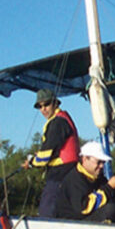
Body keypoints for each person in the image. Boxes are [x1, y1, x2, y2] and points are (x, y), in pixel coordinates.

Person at [22, 88, 79, 217]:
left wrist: (31, 162)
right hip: (70, 172)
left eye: (46, 104)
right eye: (40, 106)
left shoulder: (57, 123)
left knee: (46, 211)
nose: (43, 109)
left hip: (60, 173)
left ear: (55, 103)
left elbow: (44, 157)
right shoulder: (63, 119)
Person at [55, 141, 115, 223]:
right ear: (85, 159)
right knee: (110, 210)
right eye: (98, 162)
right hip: (73, 224)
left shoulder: (99, 178)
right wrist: (109, 188)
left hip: (88, 220)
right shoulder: (74, 179)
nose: (101, 166)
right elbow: (84, 208)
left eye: (103, 162)